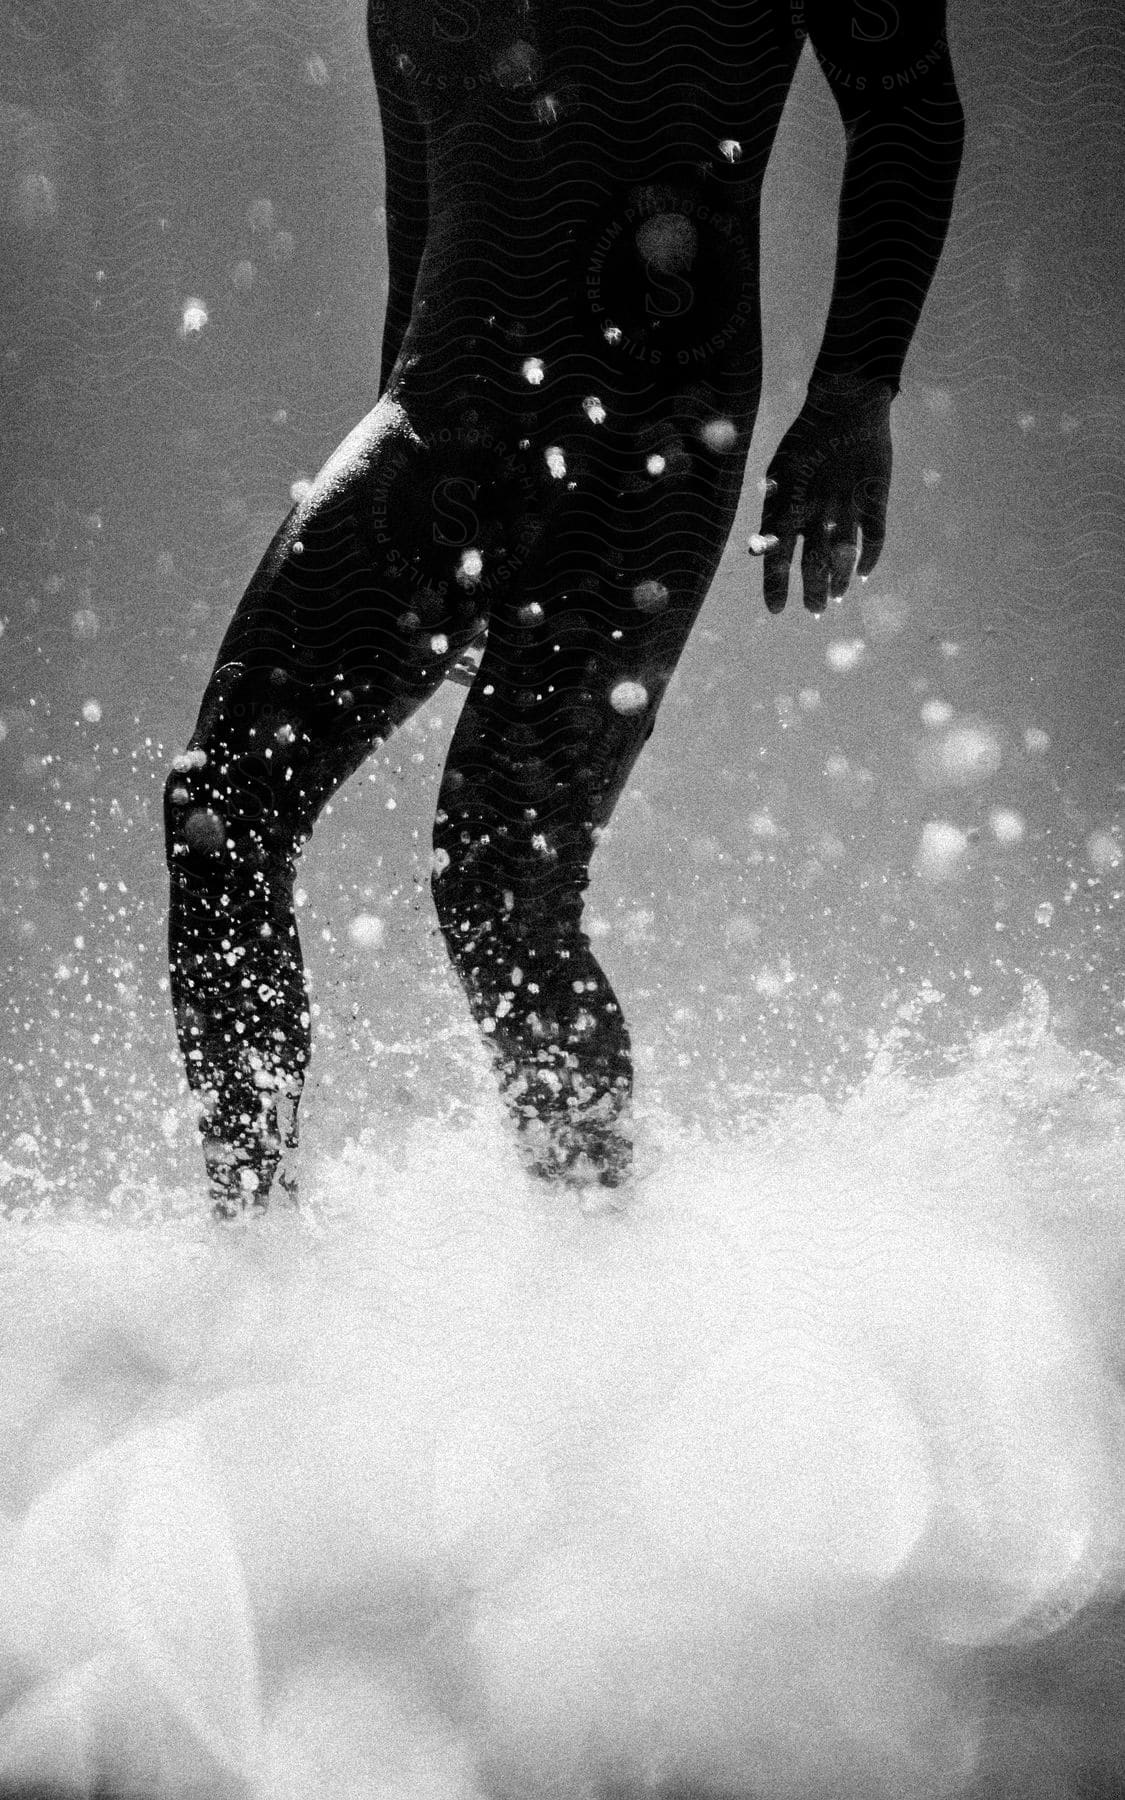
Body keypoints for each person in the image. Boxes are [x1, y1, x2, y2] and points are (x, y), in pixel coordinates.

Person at [164, 0, 964, 1214]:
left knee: (499, 894)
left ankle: (597, 1270)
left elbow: (908, 104)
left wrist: (856, 391)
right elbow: (420, 234)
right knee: (220, 808)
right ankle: (249, 1256)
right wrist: (419, 542)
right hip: (438, 430)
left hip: (646, 444)